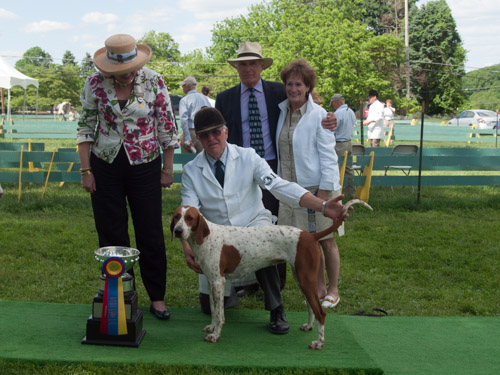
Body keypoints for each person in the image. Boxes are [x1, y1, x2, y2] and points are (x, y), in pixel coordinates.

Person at [180, 106, 349, 334]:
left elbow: (278, 185)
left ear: (226, 132)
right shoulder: (191, 170)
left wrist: (321, 205)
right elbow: (188, 210)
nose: (211, 138)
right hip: (218, 238)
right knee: (207, 305)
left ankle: (276, 309)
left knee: (266, 240)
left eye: (216, 132)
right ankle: (229, 297)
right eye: (204, 134)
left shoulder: (248, 156)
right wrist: (186, 245)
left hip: (252, 223)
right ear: (198, 138)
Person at [215, 42, 337, 297]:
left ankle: (275, 287)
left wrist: (330, 119)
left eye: (252, 63)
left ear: (261, 66)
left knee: (274, 229)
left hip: (272, 168)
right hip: (240, 170)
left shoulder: (277, 93)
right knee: (243, 225)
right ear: (237, 67)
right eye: (242, 64)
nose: (247, 68)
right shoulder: (224, 98)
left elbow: (307, 103)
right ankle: (247, 279)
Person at [76, 34, 178, 320]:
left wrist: (167, 169)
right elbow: (85, 128)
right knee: (111, 231)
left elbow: (167, 127)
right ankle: (120, 294)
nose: (126, 76)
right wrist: (86, 171)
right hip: (105, 164)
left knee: (150, 233)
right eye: (119, 73)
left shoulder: (154, 81)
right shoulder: (94, 83)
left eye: (130, 69)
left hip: (145, 164)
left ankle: (157, 297)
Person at [275, 59, 342, 309]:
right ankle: (319, 288)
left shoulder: (320, 116)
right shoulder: (282, 111)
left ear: (308, 87)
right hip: (293, 191)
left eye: (299, 84)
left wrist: (324, 193)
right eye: (290, 84)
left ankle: (333, 290)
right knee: (308, 241)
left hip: (319, 188)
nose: (293, 88)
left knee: (326, 239)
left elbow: (328, 156)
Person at [330, 93, 357, 197]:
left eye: (332, 104)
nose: (333, 106)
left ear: (336, 102)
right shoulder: (351, 112)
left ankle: (336, 193)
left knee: (336, 168)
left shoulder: (338, 113)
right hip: (349, 142)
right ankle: (351, 192)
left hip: (339, 144)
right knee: (349, 169)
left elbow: (333, 129)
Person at [179, 76, 211, 154]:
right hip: (203, 131)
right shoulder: (205, 98)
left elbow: (184, 119)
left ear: (188, 86)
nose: (182, 87)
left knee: (187, 162)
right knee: (204, 160)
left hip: (190, 132)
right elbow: (210, 115)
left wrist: (187, 138)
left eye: (183, 85)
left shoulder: (184, 100)